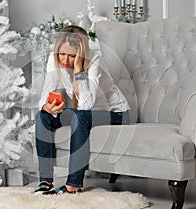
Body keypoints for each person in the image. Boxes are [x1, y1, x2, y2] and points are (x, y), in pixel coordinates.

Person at [34, 25, 130, 195]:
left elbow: (86, 105)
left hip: (117, 114)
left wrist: (78, 70)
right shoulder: (53, 58)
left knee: (80, 116)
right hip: (85, 113)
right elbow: (46, 92)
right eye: (62, 53)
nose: (65, 60)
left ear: (81, 53)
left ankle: (73, 185)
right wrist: (46, 106)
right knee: (42, 116)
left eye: (72, 56)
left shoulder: (94, 61)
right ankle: (46, 181)